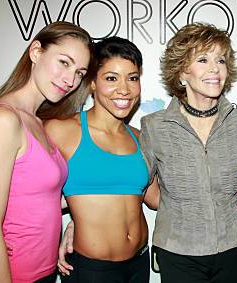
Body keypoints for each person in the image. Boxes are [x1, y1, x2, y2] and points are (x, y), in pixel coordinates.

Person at [139, 22, 237, 283]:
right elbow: (139, 186)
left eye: (221, 60)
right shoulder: (154, 126)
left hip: (233, 248)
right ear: (182, 71)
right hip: (178, 252)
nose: (215, 69)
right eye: (203, 60)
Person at [0, 21, 92, 283]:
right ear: (36, 52)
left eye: (79, 72)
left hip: (46, 273)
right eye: (64, 62)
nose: (70, 80)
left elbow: (42, 198)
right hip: (14, 275)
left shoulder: (39, 122)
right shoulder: (4, 119)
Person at [47, 36, 157, 282]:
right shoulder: (62, 131)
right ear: (92, 84)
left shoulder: (141, 138)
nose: (124, 89)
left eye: (133, 78)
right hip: (91, 270)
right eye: (111, 78)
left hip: (140, 264)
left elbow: (156, 199)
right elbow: (33, 198)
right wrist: (53, 237)